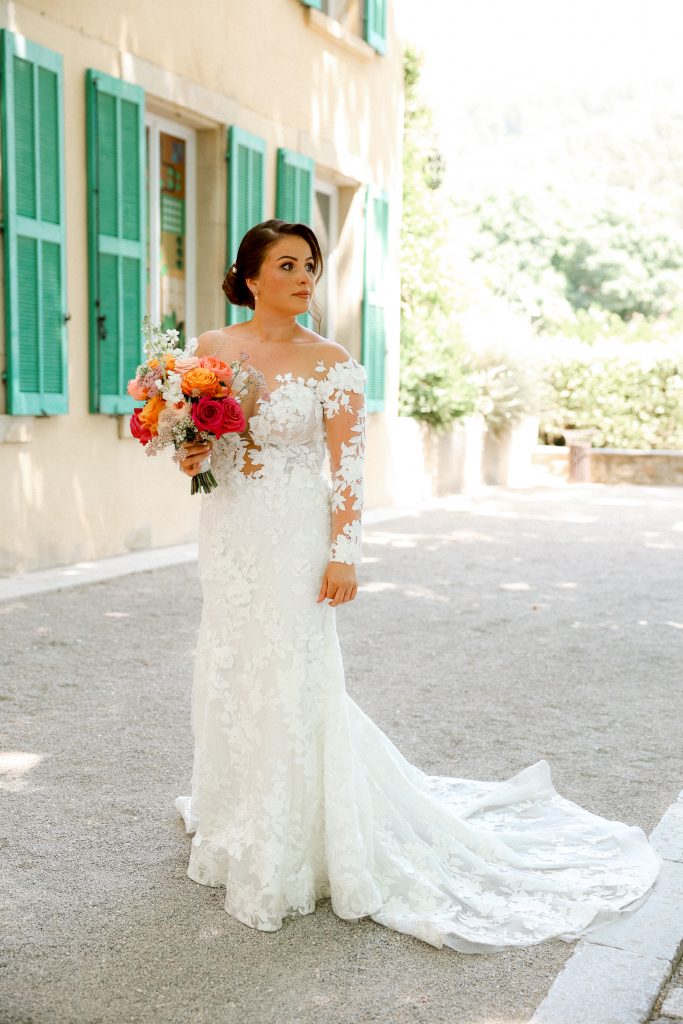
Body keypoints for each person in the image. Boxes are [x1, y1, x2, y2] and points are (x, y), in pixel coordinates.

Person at [174, 218, 661, 953]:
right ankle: (233, 816)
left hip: (295, 536)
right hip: (230, 531)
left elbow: (348, 469)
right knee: (230, 662)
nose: (305, 277)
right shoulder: (211, 349)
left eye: (310, 264)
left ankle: (289, 840)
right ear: (250, 277)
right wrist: (190, 453)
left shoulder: (332, 362)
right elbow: (201, 441)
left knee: (292, 671)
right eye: (288, 265)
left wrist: (343, 554)